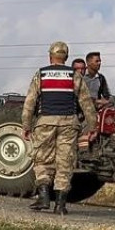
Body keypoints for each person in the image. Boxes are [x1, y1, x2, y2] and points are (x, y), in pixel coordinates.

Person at [22, 41, 98, 214]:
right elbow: (86, 103)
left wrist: (26, 125)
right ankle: (60, 205)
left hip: (45, 122)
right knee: (65, 162)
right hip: (68, 123)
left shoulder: (41, 74)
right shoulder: (75, 76)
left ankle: (43, 197)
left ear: (50, 56)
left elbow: (30, 102)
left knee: (42, 159)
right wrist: (92, 125)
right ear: (66, 57)